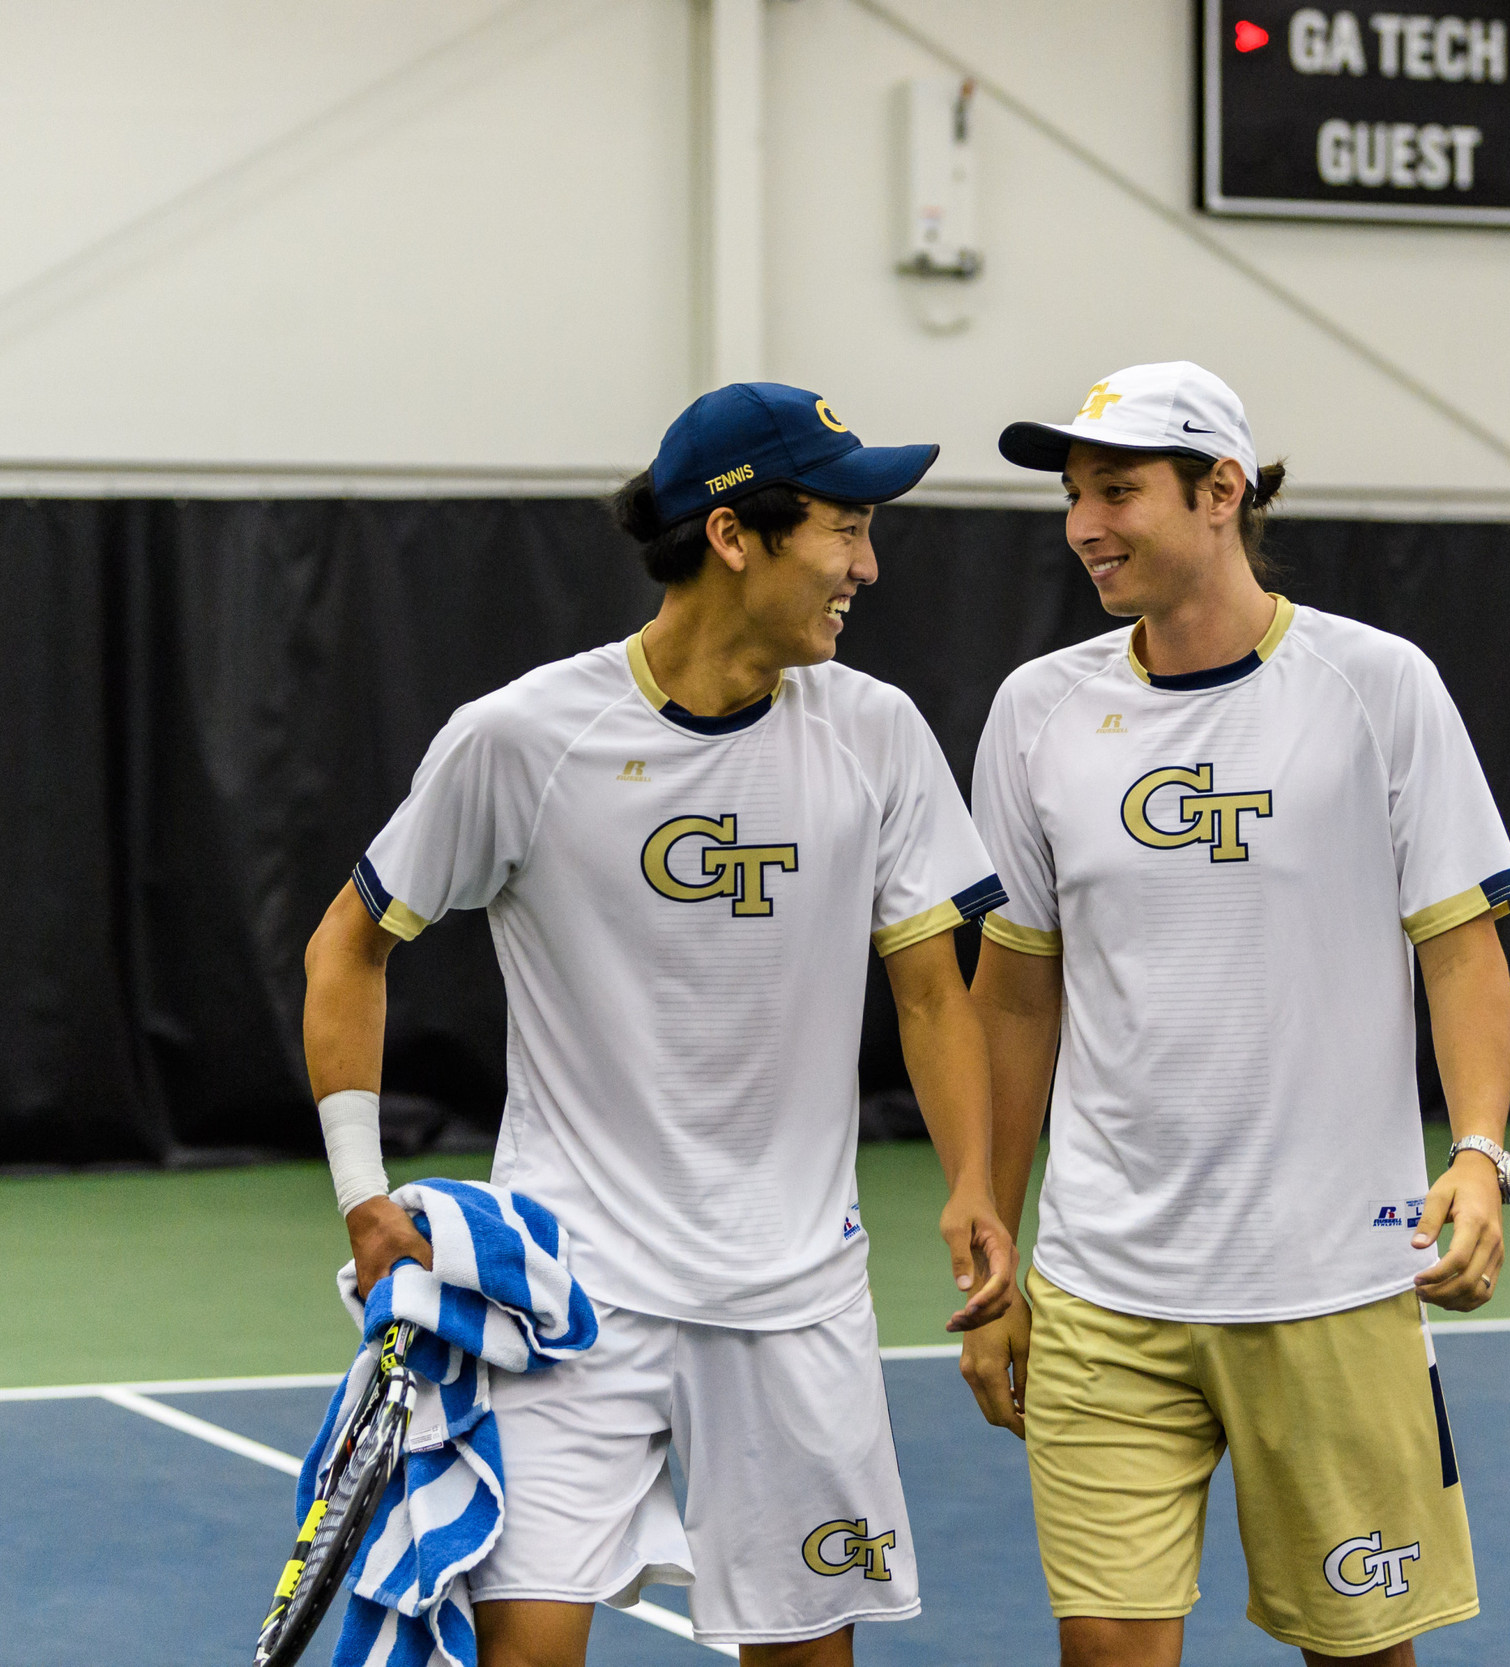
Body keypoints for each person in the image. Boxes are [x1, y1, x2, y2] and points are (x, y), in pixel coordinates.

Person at [301, 381, 1018, 1667]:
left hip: (796, 1296)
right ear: (734, 535)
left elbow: (928, 988)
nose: (868, 564)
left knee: (806, 1655)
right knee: (523, 1651)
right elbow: (346, 945)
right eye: (843, 530)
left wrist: (972, 1181)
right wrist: (362, 1191)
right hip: (573, 1294)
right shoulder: (521, 738)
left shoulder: (878, 733)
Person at [959, 362, 1510, 1667]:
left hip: (1332, 1277)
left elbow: (1460, 944)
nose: (1084, 524)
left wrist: (1481, 1154)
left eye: (1118, 490)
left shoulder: (1378, 686)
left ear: (1222, 491)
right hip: (1104, 1281)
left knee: (1363, 1650)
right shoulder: (1035, 712)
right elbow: (1017, 991)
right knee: (1105, 1649)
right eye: (1071, 495)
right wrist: (991, 1231)